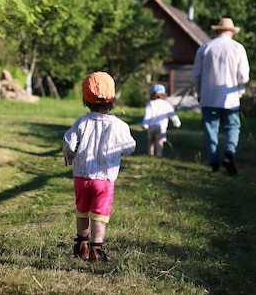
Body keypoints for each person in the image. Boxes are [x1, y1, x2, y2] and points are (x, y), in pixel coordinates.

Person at [62, 71, 136, 262]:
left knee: (82, 211)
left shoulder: (81, 122)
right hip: (104, 179)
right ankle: (96, 249)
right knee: (99, 215)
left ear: (85, 100)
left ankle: (82, 244)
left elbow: (69, 143)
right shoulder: (118, 125)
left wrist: (69, 156)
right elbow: (130, 147)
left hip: (81, 176)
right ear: (112, 100)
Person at [192, 18, 250, 175]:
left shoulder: (205, 48)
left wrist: (198, 94)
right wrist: (240, 91)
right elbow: (244, 76)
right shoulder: (238, 48)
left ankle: (214, 164)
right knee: (232, 127)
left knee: (211, 129)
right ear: (232, 32)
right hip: (230, 98)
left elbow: (196, 75)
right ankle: (229, 155)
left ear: (217, 31)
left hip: (209, 97)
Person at [141, 84, 181, 158]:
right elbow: (172, 114)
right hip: (161, 127)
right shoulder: (166, 104)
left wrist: (145, 124)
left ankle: (151, 153)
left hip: (151, 126)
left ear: (152, 94)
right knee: (160, 141)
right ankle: (159, 154)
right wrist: (177, 123)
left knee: (151, 140)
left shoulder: (151, 103)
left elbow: (147, 115)